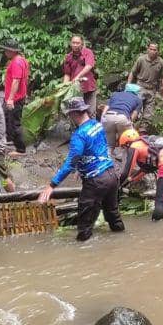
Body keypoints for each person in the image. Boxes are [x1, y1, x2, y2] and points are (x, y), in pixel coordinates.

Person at [37, 97, 124, 241]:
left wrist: (52, 185)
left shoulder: (79, 135)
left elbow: (71, 162)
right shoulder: (97, 125)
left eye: (70, 114)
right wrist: (80, 168)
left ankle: (83, 254)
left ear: (75, 114)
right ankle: (122, 241)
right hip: (111, 175)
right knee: (113, 214)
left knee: (84, 225)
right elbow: (98, 149)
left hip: (96, 181)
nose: (70, 117)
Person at [118, 129, 163, 221]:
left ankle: (157, 225)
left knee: (160, 199)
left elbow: (126, 171)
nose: (125, 150)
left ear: (127, 143)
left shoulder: (134, 146)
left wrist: (117, 186)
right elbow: (146, 169)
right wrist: (129, 181)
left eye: (124, 147)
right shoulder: (146, 144)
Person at [2, 39, 30, 155]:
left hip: (15, 99)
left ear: (11, 51)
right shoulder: (21, 60)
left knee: (15, 124)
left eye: (6, 49)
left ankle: (21, 149)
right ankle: (8, 140)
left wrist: (10, 99)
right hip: (16, 97)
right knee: (5, 118)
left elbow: (16, 81)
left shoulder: (17, 62)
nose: (4, 52)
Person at [126, 42, 163, 118]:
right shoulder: (141, 59)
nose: (152, 51)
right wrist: (128, 85)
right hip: (140, 87)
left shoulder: (160, 62)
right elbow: (133, 72)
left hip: (152, 89)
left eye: (154, 50)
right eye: (151, 49)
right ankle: (133, 125)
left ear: (158, 51)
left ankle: (144, 127)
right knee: (137, 110)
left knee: (149, 113)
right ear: (148, 49)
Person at [100, 83, 143, 158]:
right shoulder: (138, 100)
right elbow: (134, 115)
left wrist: (102, 119)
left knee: (109, 140)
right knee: (127, 137)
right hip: (122, 117)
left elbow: (106, 107)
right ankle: (123, 155)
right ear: (136, 92)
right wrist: (130, 123)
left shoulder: (115, 94)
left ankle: (108, 156)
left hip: (108, 116)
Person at [62, 35, 98, 116]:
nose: (75, 45)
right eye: (73, 43)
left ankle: (93, 128)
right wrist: (64, 86)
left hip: (88, 87)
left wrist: (77, 77)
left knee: (91, 112)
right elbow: (67, 74)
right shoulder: (68, 57)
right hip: (75, 90)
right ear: (70, 43)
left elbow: (89, 66)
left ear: (81, 44)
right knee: (76, 113)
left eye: (77, 43)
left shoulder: (88, 52)